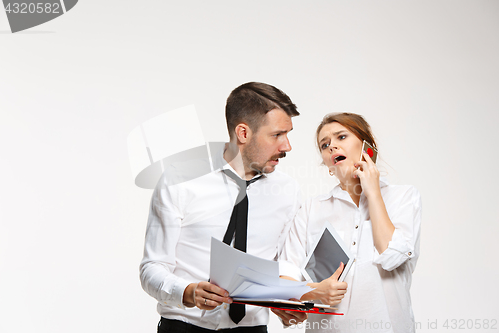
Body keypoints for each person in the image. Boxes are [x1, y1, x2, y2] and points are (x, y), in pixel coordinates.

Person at [139, 82, 344, 333]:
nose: (287, 146)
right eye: (277, 135)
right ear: (243, 133)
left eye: (287, 134)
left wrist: (284, 301)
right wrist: (187, 292)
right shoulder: (180, 179)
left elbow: (285, 265)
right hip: (185, 326)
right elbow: (152, 268)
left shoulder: (288, 191)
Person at [283, 112, 422, 333]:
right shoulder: (312, 209)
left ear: (368, 146)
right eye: (324, 144)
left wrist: (373, 192)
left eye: (341, 137)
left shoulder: (403, 198)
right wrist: (314, 292)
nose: (332, 146)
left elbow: (392, 257)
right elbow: (286, 278)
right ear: (327, 165)